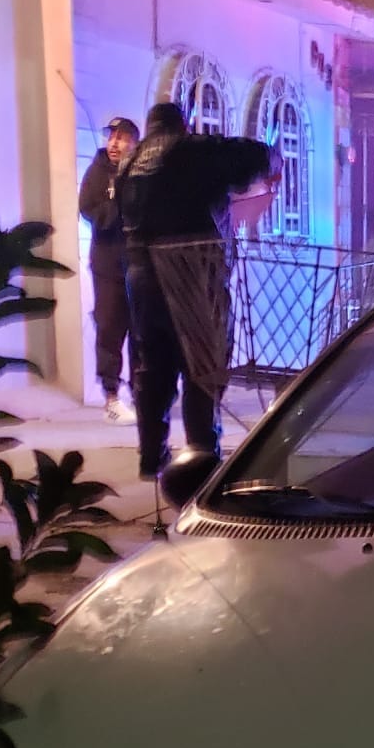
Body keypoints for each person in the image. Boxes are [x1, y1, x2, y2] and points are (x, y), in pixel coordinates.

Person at [116, 101, 278, 479]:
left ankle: (152, 456)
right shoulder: (192, 149)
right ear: (182, 125)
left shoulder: (129, 162)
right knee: (203, 362)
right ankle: (202, 452)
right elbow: (252, 156)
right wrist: (273, 159)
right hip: (193, 273)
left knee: (152, 367)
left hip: (142, 276)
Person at [77, 116, 140, 424]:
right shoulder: (98, 172)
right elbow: (90, 210)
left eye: (123, 137)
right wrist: (117, 201)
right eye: (111, 136)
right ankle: (112, 398)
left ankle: (145, 395)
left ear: (134, 143)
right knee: (110, 330)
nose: (114, 143)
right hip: (108, 266)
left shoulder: (143, 173)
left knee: (143, 333)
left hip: (140, 268)